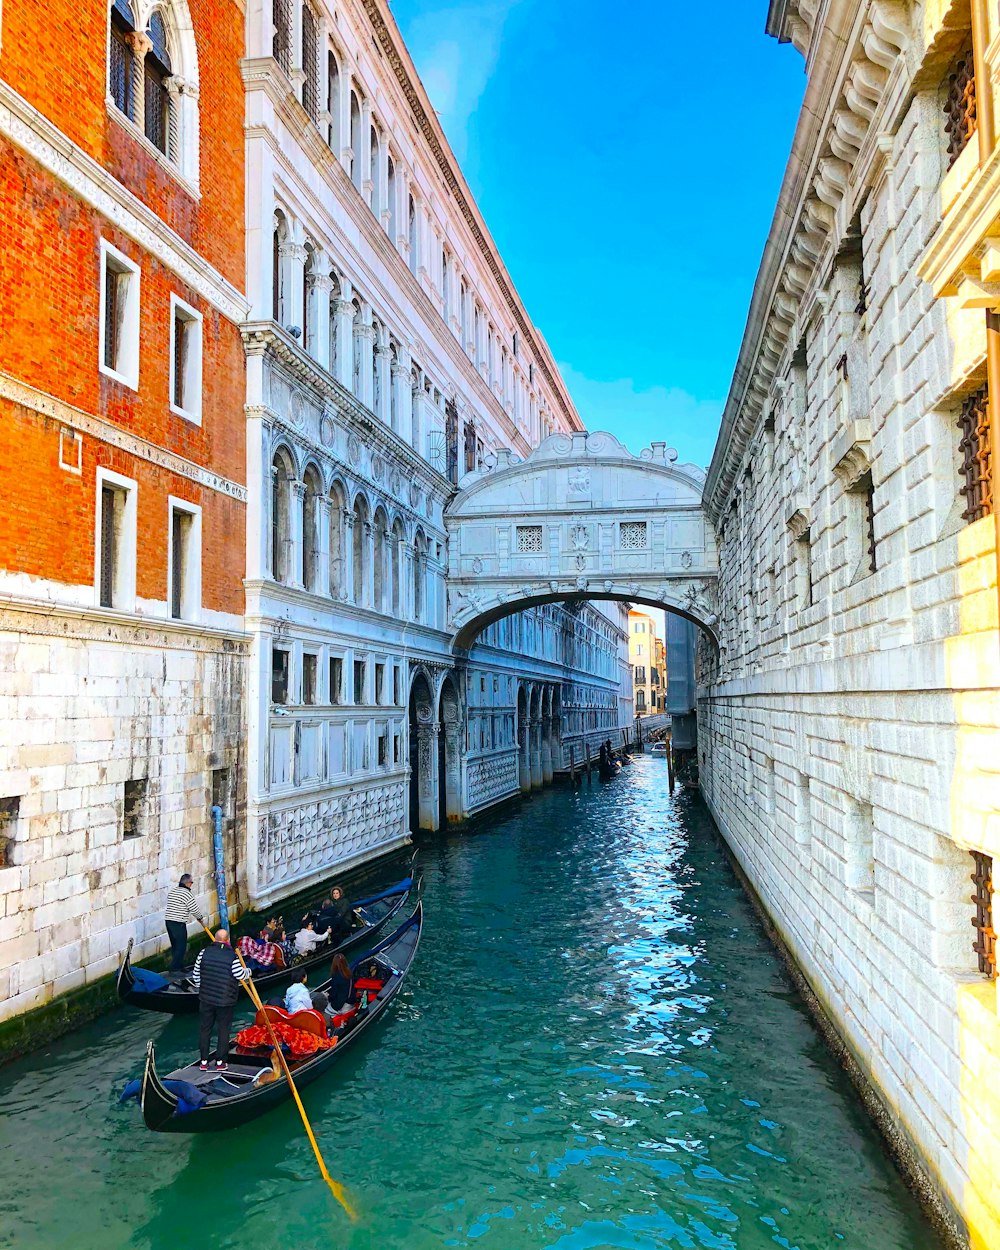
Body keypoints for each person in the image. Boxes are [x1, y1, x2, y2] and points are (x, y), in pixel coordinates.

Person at [191, 929, 250, 1071]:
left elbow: (195, 976)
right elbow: (240, 975)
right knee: (224, 1030)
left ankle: (204, 1062)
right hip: (225, 1000)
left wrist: (202, 987)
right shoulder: (232, 956)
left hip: (205, 998)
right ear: (227, 940)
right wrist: (248, 971)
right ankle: (220, 1062)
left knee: (205, 1029)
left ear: (215, 940)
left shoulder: (203, 953)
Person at [164, 873, 206, 972]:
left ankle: (178, 966)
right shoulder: (187, 894)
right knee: (181, 946)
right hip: (178, 923)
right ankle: (175, 969)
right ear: (187, 883)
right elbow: (194, 909)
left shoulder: (173, 891)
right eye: (191, 882)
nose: (191, 885)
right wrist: (200, 918)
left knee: (175, 945)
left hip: (169, 922)